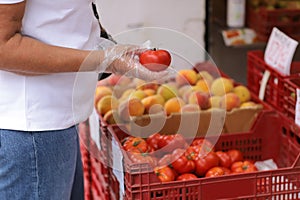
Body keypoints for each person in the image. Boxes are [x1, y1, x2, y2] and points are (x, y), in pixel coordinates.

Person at [0, 0, 167, 199]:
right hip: (33, 130)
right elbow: (4, 48)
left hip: (57, 122)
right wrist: (104, 60)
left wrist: (106, 46)